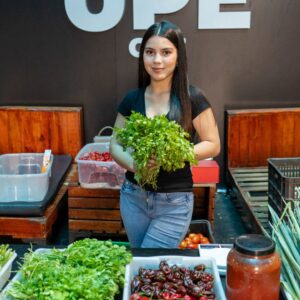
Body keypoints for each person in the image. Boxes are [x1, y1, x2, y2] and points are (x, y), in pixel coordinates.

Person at [110, 20, 220, 248]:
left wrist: (171, 154)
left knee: (150, 261)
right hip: (133, 197)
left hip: (175, 201)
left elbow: (212, 144)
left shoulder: (193, 98)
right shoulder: (132, 99)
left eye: (166, 52)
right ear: (143, 57)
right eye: (150, 52)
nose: (157, 60)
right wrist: (135, 165)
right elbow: (115, 145)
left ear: (178, 56)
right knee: (140, 261)